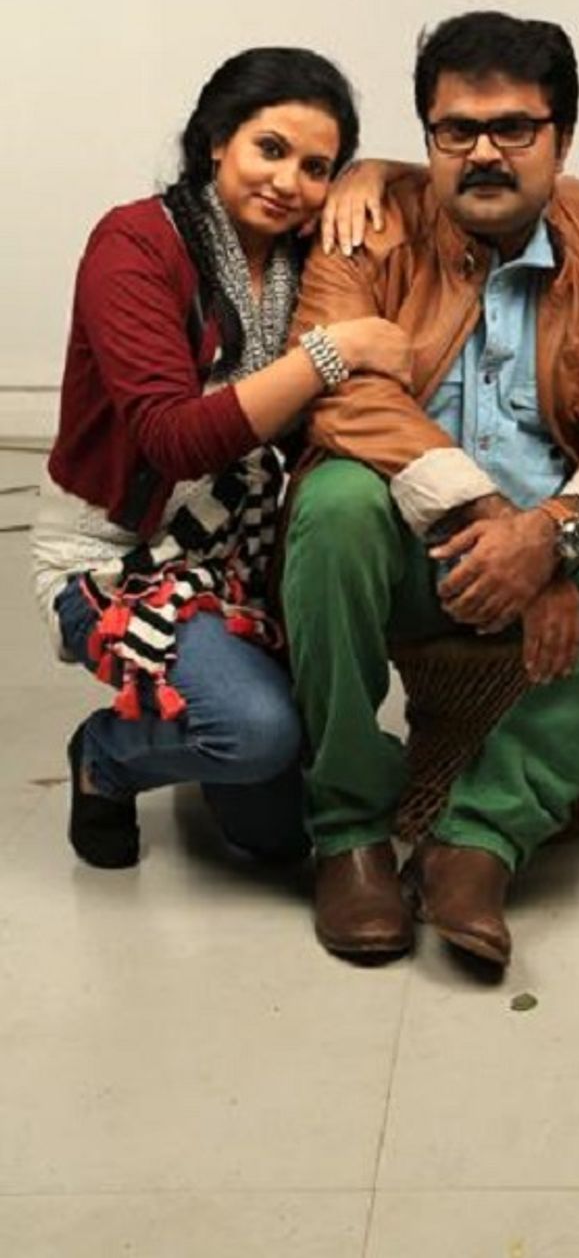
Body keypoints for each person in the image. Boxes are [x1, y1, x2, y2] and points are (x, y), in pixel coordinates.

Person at [281, 10, 579, 968]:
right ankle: (349, 831)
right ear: (428, 138)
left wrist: (557, 536)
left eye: (514, 129)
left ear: (561, 143)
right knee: (334, 500)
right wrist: (502, 527)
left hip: (560, 546)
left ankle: (482, 836)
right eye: (457, 130)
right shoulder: (362, 232)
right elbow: (344, 399)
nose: (484, 152)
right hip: (407, 554)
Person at [32, 47, 410, 870]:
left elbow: (443, 189)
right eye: (269, 149)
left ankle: (215, 715)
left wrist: (374, 174)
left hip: (236, 552)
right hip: (115, 557)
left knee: (274, 837)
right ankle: (105, 757)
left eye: (317, 168)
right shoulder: (135, 242)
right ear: (215, 140)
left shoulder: (300, 255)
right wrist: (331, 354)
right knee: (255, 734)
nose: (288, 182)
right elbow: (173, 439)